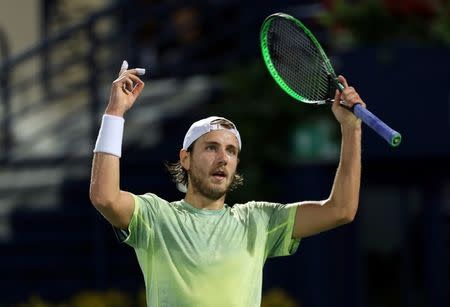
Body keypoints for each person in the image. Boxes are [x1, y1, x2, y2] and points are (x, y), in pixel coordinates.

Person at [89, 60, 364, 307]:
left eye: (231, 151)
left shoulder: (260, 220)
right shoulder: (156, 217)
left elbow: (341, 210)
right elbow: (105, 197)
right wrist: (115, 112)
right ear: (185, 159)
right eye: (211, 148)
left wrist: (351, 128)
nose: (223, 158)